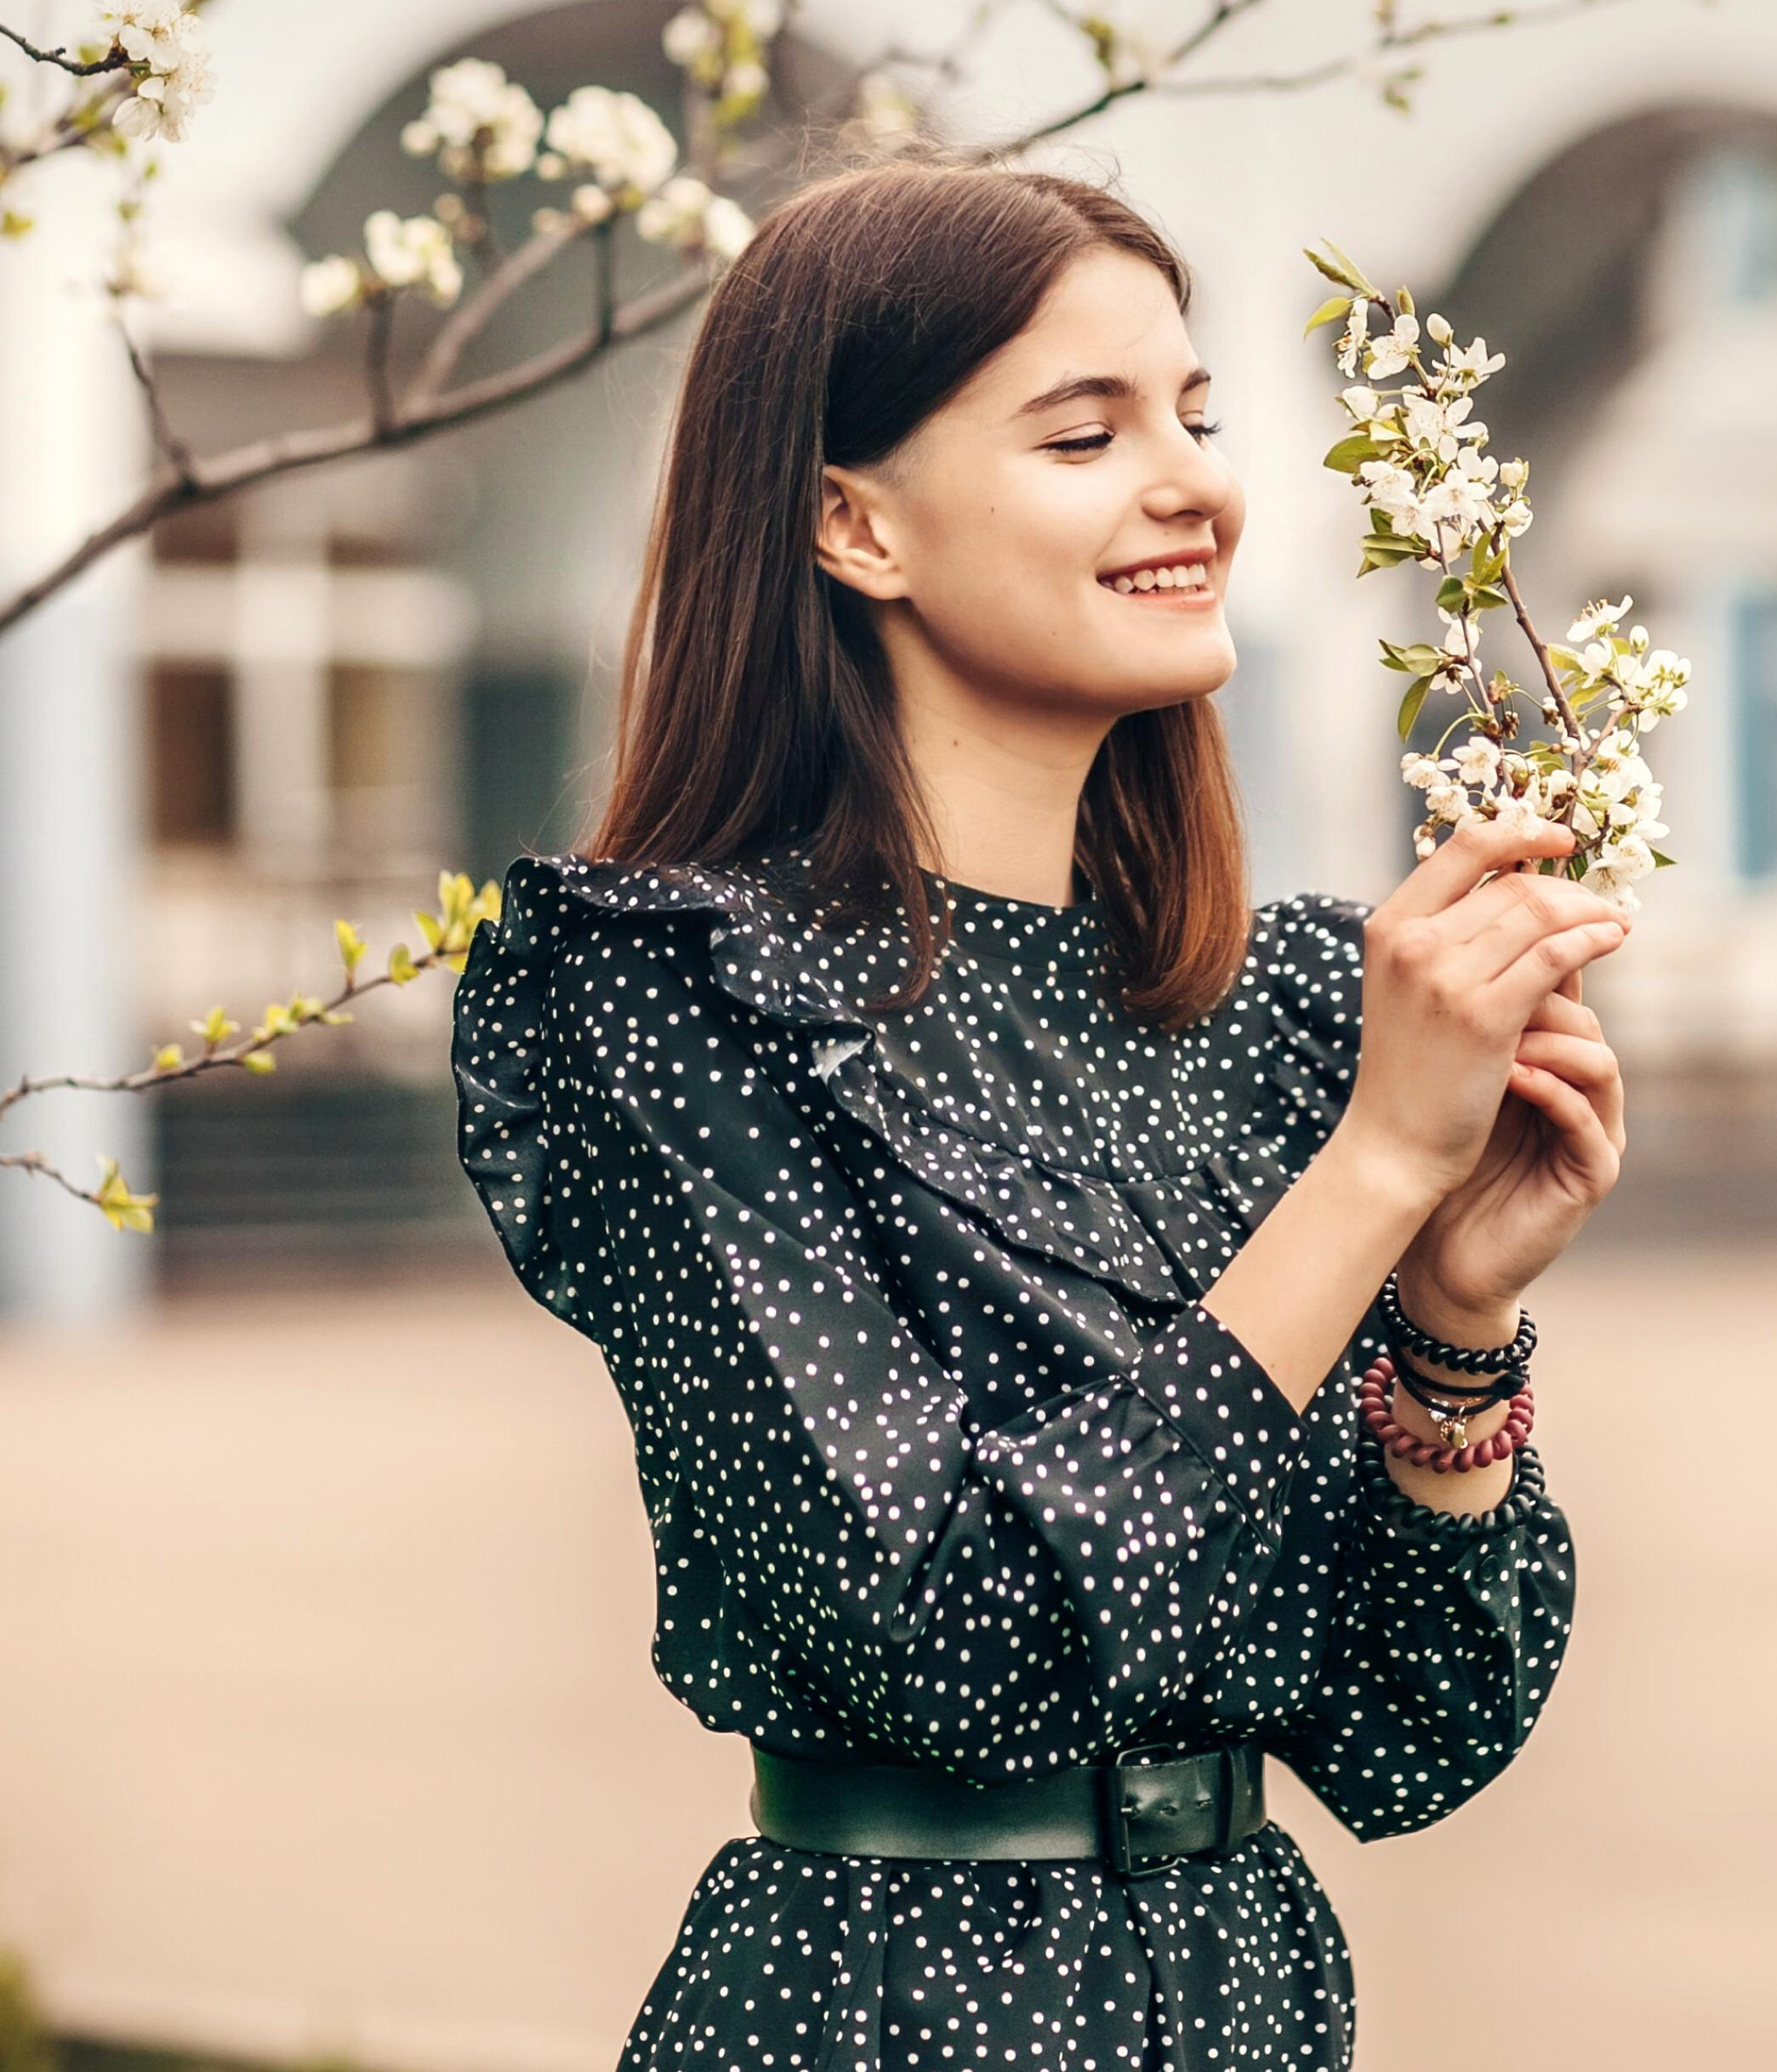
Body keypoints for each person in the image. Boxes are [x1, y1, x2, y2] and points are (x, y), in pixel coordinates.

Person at [452, 153, 1632, 2072]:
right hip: (888, 2006)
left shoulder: (1286, 1008)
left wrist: (1454, 1318)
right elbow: (944, 1632)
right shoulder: (665, 994)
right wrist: (1375, 1175)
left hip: (1249, 2000)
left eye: (1197, 414)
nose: (1196, 483)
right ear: (855, 525)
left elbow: (1414, 1737)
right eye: (1082, 434)